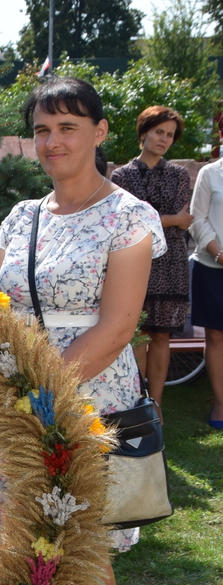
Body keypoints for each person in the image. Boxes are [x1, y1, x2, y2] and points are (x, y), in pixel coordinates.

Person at [0, 77, 165, 585]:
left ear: (99, 131)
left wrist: (39, 396)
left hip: (87, 401)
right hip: (13, 402)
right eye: (42, 130)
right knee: (9, 538)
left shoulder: (129, 216)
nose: (53, 141)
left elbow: (117, 328)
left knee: (83, 550)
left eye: (67, 127)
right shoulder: (21, 217)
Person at [111, 107, 192, 413]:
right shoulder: (122, 176)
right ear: (144, 132)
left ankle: (156, 407)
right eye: (159, 132)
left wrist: (165, 218)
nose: (164, 139)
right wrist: (171, 219)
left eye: (170, 135)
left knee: (161, 335)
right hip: (134, 263)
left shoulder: (179, 175)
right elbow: (130, 220)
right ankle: (137, 405)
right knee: (138, 335)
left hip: (171, 264)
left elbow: (181, 218)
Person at [188, 158, 223, 428]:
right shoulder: (209, 173)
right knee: (216, 336)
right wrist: (219, 253)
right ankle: (220, 403)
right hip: (212, 266)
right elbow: (197, 219)